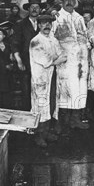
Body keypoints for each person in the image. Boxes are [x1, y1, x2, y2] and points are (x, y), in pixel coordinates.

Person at [52, 0, 90, 131]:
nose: (69, 2)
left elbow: (84, 37)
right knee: (65, 91)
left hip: (81, 62)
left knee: (79, 91)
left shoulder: (79, 17)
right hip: (65, 62)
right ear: (61, 2)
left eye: (71, 0)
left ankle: (75, 119)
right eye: (66, 0)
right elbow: (52, 39)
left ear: (75, 1)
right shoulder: (56, 17)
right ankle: (62, 122)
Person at [29, 14, 67, 147]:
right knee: (40, 106)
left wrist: (58, 59)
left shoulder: (52, 39)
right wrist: (57, 60)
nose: (47, 26)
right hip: (41, 78)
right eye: (43, 24)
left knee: (51, 104)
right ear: (39, 25)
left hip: (52, 76)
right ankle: (38, 135)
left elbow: (61, 53)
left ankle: (47, 132)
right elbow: (47, 61)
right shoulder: (36, 41)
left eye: (49, 24)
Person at [11, 0, 42, 111]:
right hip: (26, 61)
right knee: (26, 89)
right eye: (32, 7)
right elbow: (15, 44)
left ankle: (40, 114)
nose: (34, 9)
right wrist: (19, 61)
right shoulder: (21, 24)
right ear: (28, 9)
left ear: (40, 9)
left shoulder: (44, 23)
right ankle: (27, 114)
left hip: (42, 63)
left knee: (40, 88)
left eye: (37, 7)